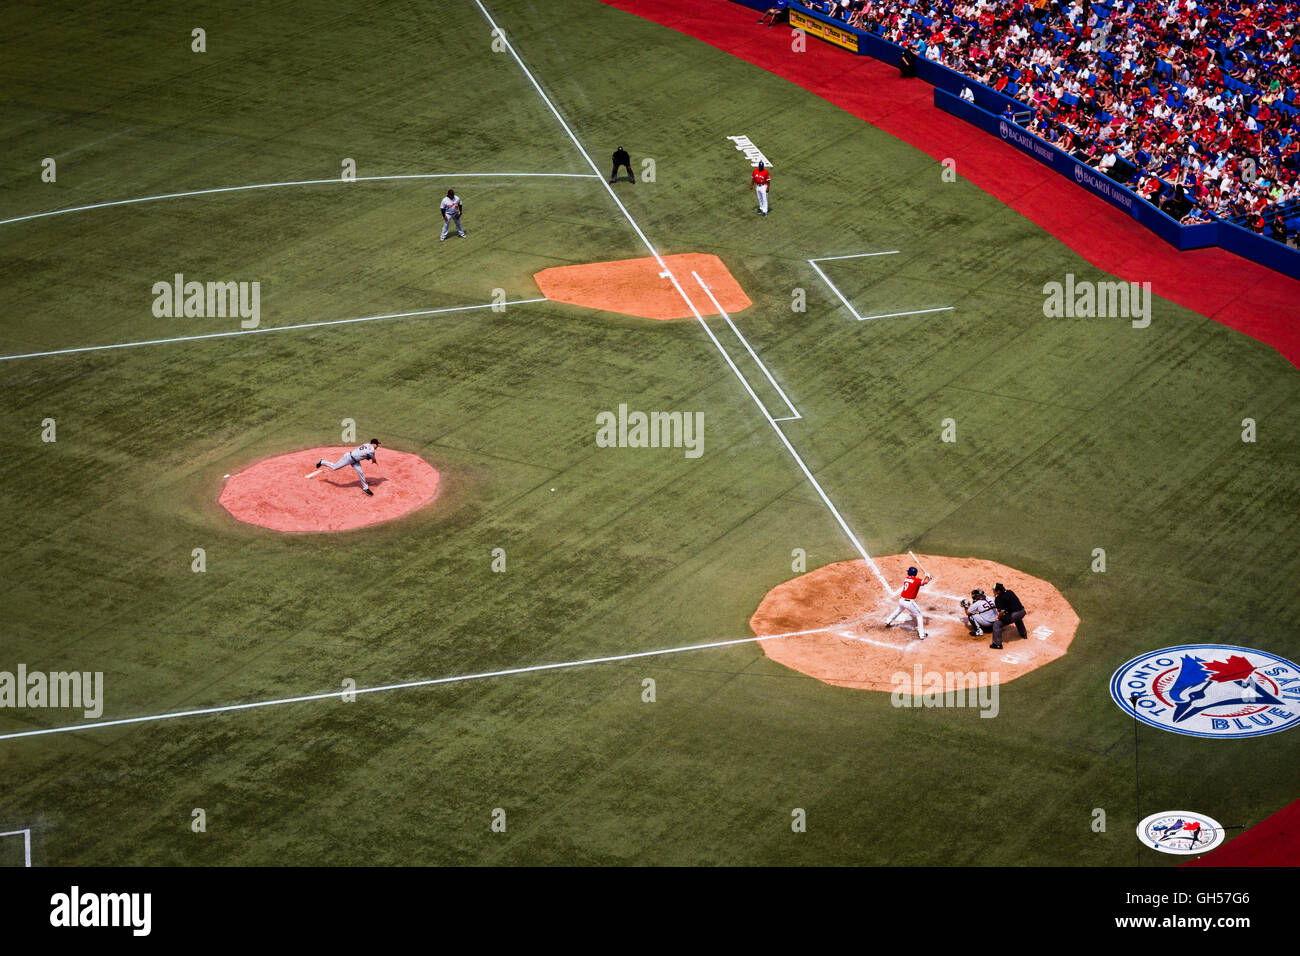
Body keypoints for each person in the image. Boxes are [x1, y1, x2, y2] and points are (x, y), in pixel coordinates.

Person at [315, 440, 381, 496]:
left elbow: (363, 453)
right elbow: (373, 458)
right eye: (377, 444)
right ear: (373, 444)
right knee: (334, 467)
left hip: (355, 461)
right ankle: (322, 462)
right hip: (348, 458)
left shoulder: (366, 444)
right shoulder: (371, 450)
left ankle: (365, 488)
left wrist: (367, 457)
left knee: (360, 472)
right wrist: (374, 461)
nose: (377, 446)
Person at [884, 566, 931, 640]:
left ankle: (888, 621)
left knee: (898, 610)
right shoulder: (916, 581)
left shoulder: (907, 579)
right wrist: (928, 576)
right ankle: (922, 635)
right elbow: (925, 582)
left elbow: (921, 581)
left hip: (901, 600)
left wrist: (927, 577)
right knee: (919, 615)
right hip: (908, 602)